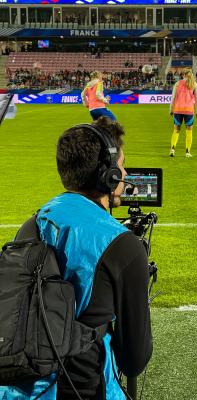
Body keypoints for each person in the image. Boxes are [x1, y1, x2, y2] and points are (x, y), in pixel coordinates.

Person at [0, 116, 152, 399]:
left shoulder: (32, 223)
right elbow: (135, 360)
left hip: (19, 388)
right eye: (121, 164)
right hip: (86, 390)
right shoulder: (123, 246)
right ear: (108, 174)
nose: (125, 172)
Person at [169, 69, 197, 158]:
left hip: (178, 109)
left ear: (183, 75)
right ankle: (187, 152)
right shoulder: (194, 84)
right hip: (189, 110)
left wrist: (171, 109)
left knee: (176, 130)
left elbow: (173, 98)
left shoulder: (177, 83)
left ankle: (172, 149)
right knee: (189, 131)